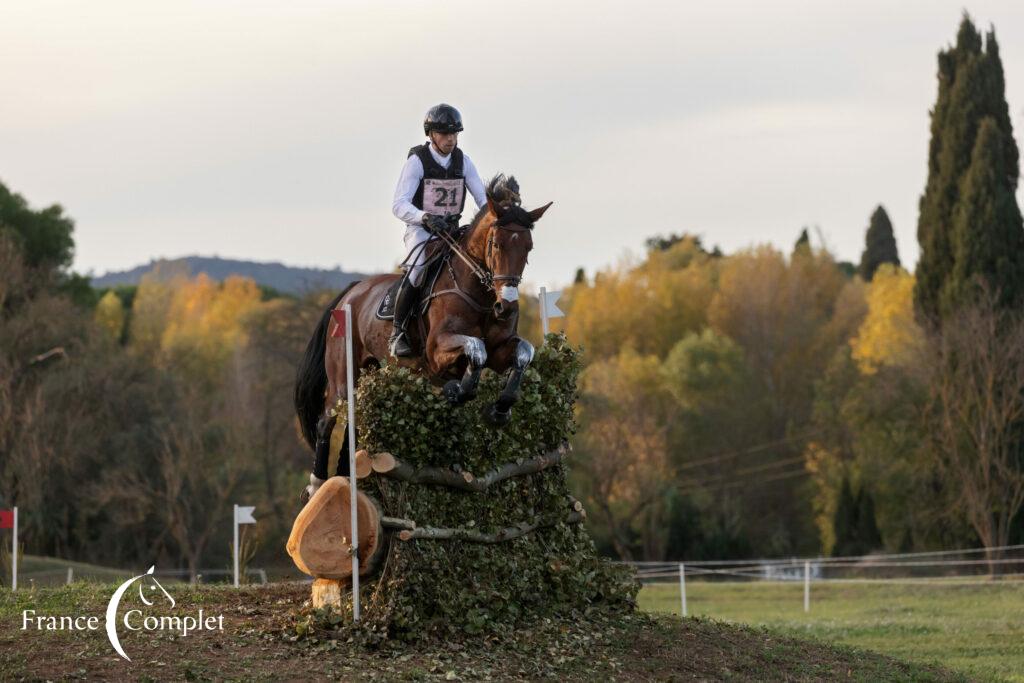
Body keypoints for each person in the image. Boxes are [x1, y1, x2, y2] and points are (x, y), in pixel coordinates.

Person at [389, 103, 488, 357]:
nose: (451, 139)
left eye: (454, 134)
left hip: (452, 232)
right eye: (445, 134)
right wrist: (425, 217)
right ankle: (398, 331)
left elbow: (483, 200)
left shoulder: (463, 161)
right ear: (431, 134)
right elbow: (399, 205)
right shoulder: (417, 162)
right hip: (421, 230)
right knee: (418, 268)